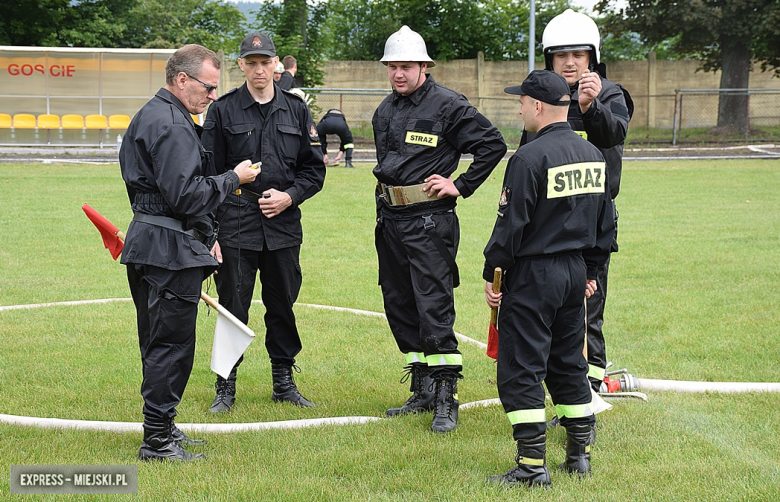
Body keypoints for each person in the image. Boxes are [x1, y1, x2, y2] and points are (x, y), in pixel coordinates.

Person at [119, 44, 259, 461]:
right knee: (171, 345)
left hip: (152, 242)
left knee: (157, 341)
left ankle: (164, 428)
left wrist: (201, 232)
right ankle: (158, 441)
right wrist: (234, 178)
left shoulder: (152, 115)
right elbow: (185, 194)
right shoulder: (173, 124)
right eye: (208, 86)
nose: (212, 96)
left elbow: (161, 194)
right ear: (182, 80)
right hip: (167, 250)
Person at [483, 70, 615, 487]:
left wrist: (493, 276)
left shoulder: (528, 158)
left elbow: (510, 227)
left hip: (534, 275)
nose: (519, 107)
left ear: (537, 106)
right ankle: (579, 454)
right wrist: (591, 271)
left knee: (521, 366)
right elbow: (606, 223)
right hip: (575, 273)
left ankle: (530, 465)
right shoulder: (593, 155)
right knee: (568, 363)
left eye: (521, 101)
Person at [373, 25, 507, 433]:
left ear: (424, 66)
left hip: (429, 222)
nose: (398, 74)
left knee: (432, 305)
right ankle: (423, 387)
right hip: (390, 221)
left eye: (406, 66)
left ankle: (447, 396)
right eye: (393, 66)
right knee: (399, 304)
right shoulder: (384, 110)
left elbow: (492, 144)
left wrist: (460, 185)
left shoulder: (448, 105)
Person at [201, 31, 326, 414]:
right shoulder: (222, 111)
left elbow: (313, 171)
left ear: (276, 65)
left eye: (265, 62)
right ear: (240, 65)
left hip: (283, 223)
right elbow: (207, 175)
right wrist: (211, 233)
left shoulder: (296, 109)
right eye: (251, 63)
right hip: (236, 221)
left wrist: (290, 196)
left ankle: (283, 381)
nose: (259, 70)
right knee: (232, 304)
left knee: (283, 304)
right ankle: (226, 385)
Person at [537, 10, 634, 414]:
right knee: (551, 305)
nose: (570, 62)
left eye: (578, 53)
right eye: (561, 55)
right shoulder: (545, 96)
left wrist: (591, 107)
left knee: (588, 307)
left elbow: (615, 134)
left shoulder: (610, 93)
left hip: (592, 221)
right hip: (549, 219)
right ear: (550, 60)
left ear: (592, 56)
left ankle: (588, 396)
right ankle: (562, 387)